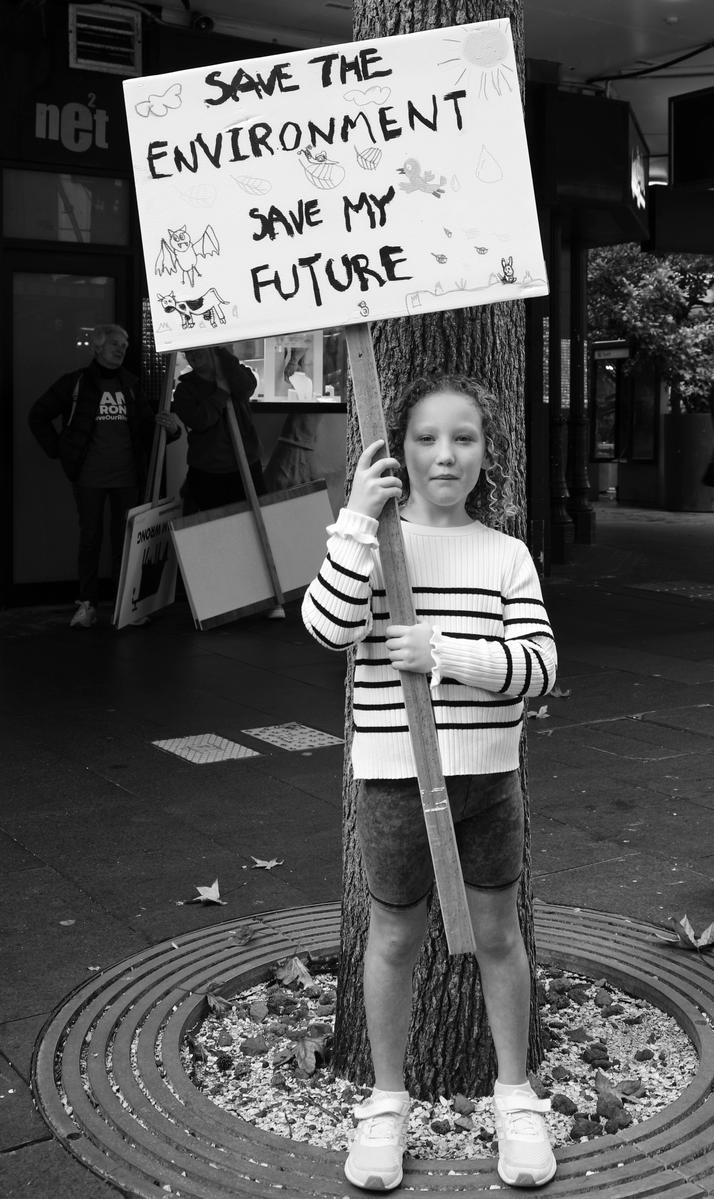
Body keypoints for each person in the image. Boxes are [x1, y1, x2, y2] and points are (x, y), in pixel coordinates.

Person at [301, 374, 558, 1191]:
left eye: (464, 438)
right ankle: (385, 1100)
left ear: (489, 450)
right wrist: (354, 521)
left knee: (496, 934)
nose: (444, 454)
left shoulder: (506, 553)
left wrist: (443, 652)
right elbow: (326, 626)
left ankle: (515, 1094)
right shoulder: (374, 546)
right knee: (394, 938)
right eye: (425, 438)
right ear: (398, 449)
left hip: (487, 780)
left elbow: (540, 668)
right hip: (394, 781)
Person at [28, 323, 168, 628]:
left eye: (125, 345)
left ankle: (125, 607)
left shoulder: (130, 384)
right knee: (90, 539)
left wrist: (170, 431)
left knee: (125, 542)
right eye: (115, 344)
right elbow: (37, 415)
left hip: (127, 478)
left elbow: (146, 429)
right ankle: (88, 605)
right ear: (98, 347)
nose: (122, 349)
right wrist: (58, 450)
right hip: (89, 478)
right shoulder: (76, 383)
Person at [158, 345, 265, 513]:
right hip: (209, 470)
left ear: (211, 349)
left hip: (246, 463)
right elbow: (201, 420)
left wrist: (223, 355)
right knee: (212, 526)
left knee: (251, 522)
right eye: (188, 352)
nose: (193, 355)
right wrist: (221, 392)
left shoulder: (234, 374)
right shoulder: (185, 389)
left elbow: (246, 388)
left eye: (198, 349)